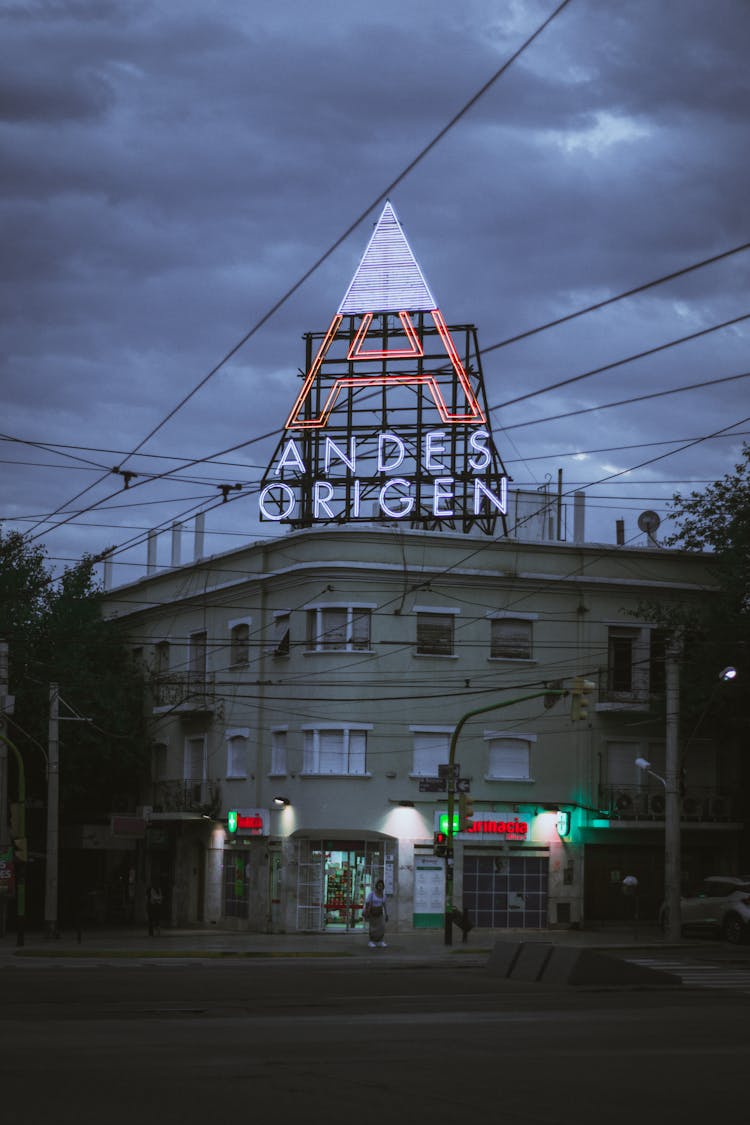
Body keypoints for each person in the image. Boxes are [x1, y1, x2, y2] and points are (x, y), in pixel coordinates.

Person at [363, 878, 388, 947]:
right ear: (376, 886)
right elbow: (367, 903)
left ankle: (380, 941)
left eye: (381, 886)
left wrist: (386, 914)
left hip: (380, 913)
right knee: (373, 928)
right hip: (373, 913)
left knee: (381, 927)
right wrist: (366, 911)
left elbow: (384, 905)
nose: (380, 887)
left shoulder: (383, 895)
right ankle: (371, 941)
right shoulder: (372, 894)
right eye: (379, 886)